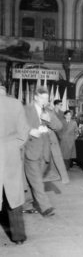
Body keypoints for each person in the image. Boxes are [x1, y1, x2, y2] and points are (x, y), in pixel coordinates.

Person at [24, 86, 63, 217]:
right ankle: (46, 207)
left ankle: (27, 204)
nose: (45, 101)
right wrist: (30, 131)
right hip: (31, 150)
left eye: (47, 98)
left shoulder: (48, 111)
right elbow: (18, 126)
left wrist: (49, 119)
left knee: (34, 179)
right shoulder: (26, 110)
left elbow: (59, 126)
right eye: (42, 98)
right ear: (35, 97)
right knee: (36, 180)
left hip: (45, 152)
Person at [0, 77, 30, 244]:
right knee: (13, 194)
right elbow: (24, 131)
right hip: (10, 152)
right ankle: (19, 237)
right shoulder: (16, 103)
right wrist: (13, 146)